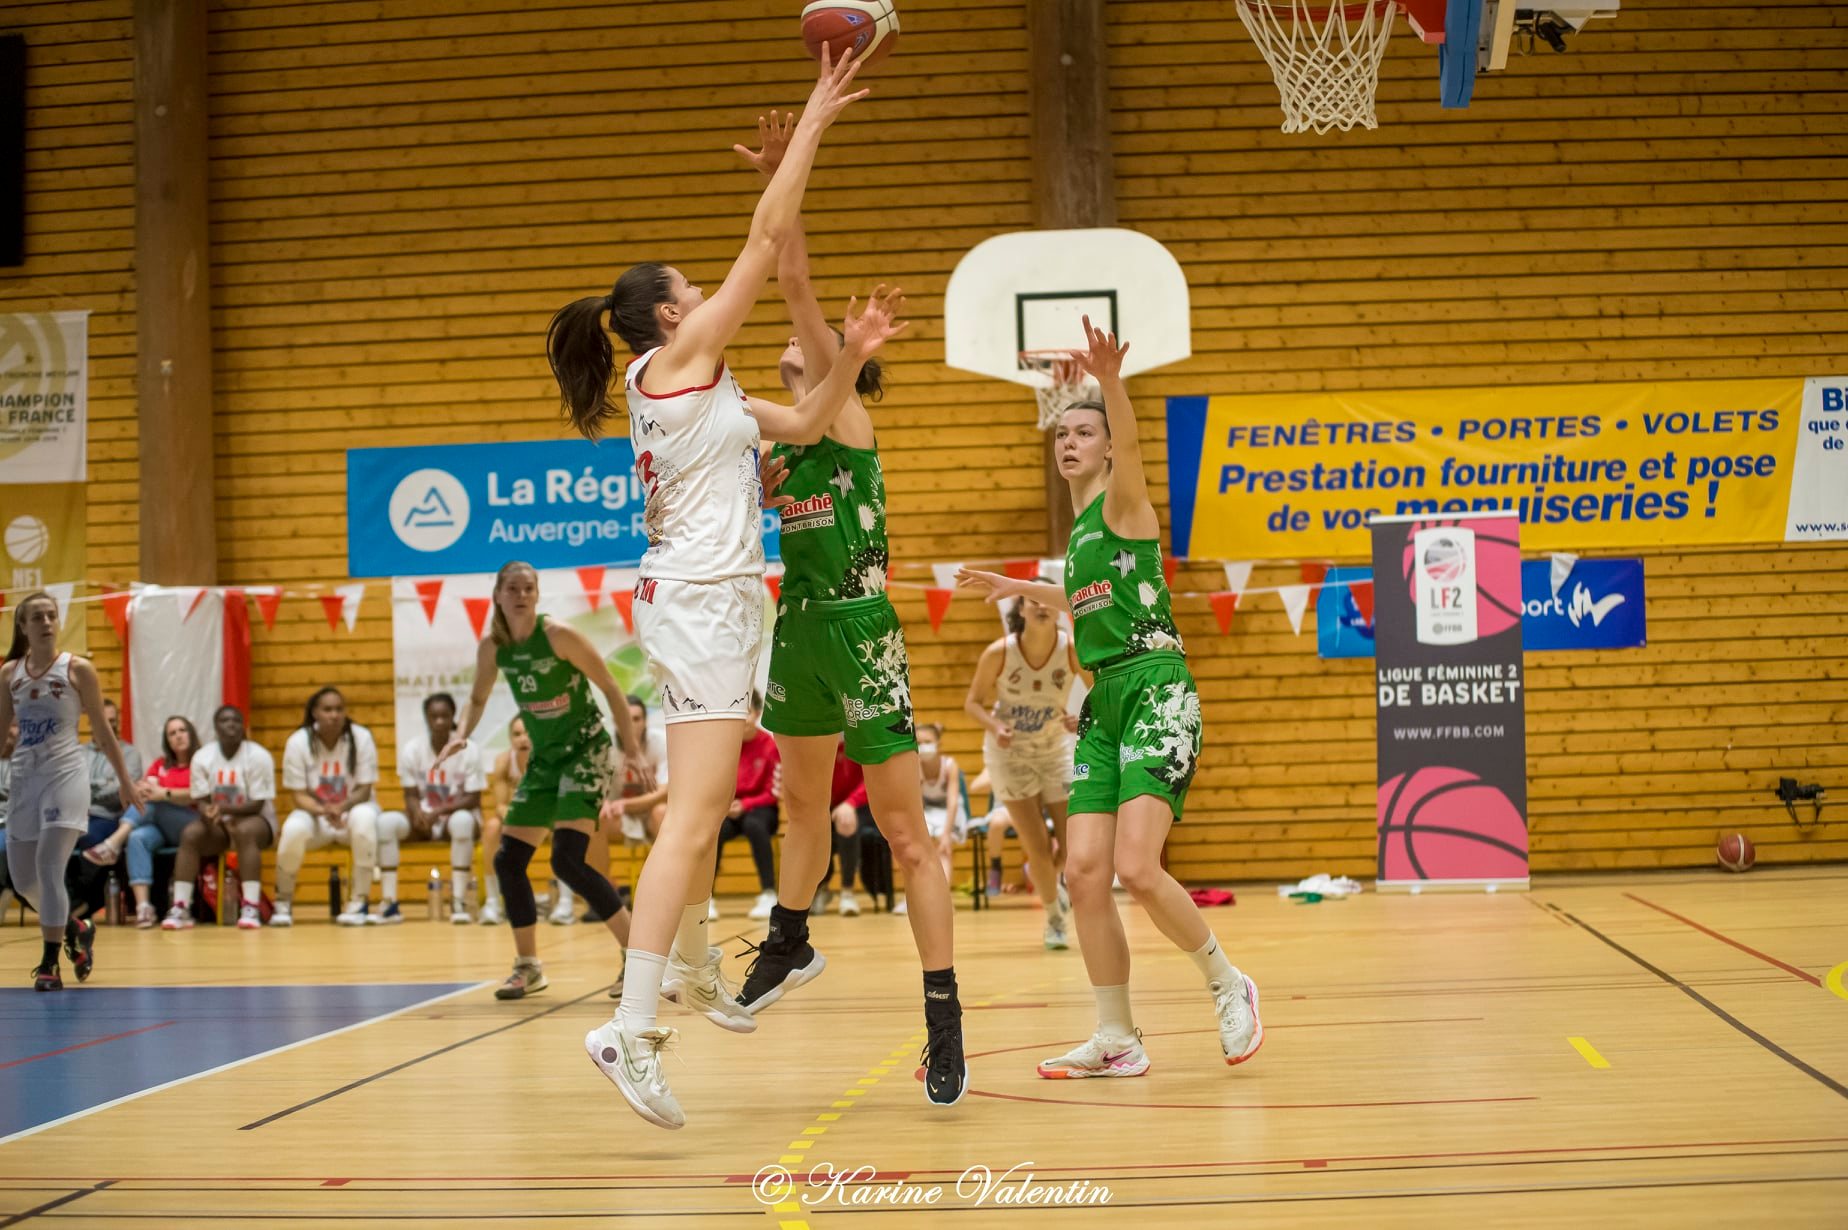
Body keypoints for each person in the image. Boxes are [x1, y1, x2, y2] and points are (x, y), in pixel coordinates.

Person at [547, 50, 908, 1131]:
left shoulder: (708, 387)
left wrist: (856, 356)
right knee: (697, 815)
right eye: (689, 293)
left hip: (710, 602)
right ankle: (633, 1024)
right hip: (702, 601)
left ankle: (692, 976)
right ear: (667, 318)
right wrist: (816, 114)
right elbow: (763, 240)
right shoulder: (673, 366)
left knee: (700, 820)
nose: (706, 297)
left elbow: (803, 425)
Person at [731, 110, 966, 1109]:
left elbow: (790, 282)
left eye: (817, 340)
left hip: (863, 628)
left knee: (905, 834)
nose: (797, 338)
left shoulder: (847, 413)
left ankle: (943, 1016)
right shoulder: (782, 441)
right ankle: (790, 938)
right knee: (795, 803)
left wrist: (790, 176)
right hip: (802, 628)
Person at [957, 318, 1262, 1079]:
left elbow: (1128, 440)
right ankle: (1117, 1034)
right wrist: (1020, 587)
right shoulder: (1083, 535)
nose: (1069, 442)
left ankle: (1230, 983)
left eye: (1084, 432)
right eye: (1061, 434)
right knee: (1084, 871)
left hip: (1156, 689)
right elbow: (1081, 596)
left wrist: (1111, 383)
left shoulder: (1126, 507)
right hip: (1102, 706)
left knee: (1136, 865)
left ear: (1108, 447)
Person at [439, 562, 648, 1003]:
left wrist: (630, 748)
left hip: (586, 749)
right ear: (497, 594)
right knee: (508, 860)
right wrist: (460, 737)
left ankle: (638, 958)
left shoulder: (558, 636)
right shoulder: (494, 648)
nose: (520, 595)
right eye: (512, 588)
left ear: (537, 595)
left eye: (528, 588)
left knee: (567, 861)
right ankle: (528, 966)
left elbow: (610, 687)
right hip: (545, 758)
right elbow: (477, 697)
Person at [0, 592, 146, 989]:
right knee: (23, 881)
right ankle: (75, 927)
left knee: (49, 867)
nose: (47, 622)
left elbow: (102, 730)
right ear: (23, 626)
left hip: (65, 778)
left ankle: (49, 964)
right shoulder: (9, 674)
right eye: (38, 617)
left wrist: (126, 781)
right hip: (24, 781)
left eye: (52, 615)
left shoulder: (77, 669)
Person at [963, 593, 1081, 948]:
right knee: (1038, 847)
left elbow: (1099, 691)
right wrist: (995, 727)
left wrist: (1082, 717)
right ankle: (1054, 919)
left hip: (1054, 750)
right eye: (1033, 601)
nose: (1041, 606)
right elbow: (972, 703)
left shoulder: (1071, 649)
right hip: (1009, 753)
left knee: (1073, 845)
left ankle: (1050, 880)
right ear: (1021, 611)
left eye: (1047, 600)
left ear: (1057, 609)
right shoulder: (1000, 652)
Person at [274, 687, 388, 927]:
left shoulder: (361, 737)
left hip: (353, 811)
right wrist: (325, 810)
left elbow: (364, 789)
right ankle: (283, 900)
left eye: (339, 709)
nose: (334, 715)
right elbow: (298, 795)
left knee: (365, 818)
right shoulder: (298, 741)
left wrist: (341, 807)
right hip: (317, 815)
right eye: (327, 709)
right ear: (315, 712)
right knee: (293, 829)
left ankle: (359, 901)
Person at [159, 705, 278, 930]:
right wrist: (207, 812)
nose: (231, 724)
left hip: (258, 822)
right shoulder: (203, 757)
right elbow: (202, 800)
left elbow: (257, 804)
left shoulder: (259, 755)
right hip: (220, 827)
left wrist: (222, 809)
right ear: (216, 727)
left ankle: (250, 906)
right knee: (191, 833)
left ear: (243, 726)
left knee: (245, 831)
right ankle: (181, 906)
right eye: (224, 720)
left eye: (235, 720)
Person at [385, 692, 484, 923]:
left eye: (445, 716)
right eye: (434, 716)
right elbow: (409, 794)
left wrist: (437, 813)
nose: (439, 721)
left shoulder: (469, 749)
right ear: (426, 718)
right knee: (385, 824)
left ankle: (458, 900)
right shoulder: (413, 749)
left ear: (452, 718)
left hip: (456, 817)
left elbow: (473, 798)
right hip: (424, 820)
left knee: (462, 822)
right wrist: (417, 812)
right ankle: (389, 903)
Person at [119, 715, 203, 924]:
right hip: (161, 827)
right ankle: (143, 907)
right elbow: (146, 791)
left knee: (155, 802)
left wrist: (164, 794)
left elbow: (199, 794)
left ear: (191, 732)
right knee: (138, 837)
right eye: (172, 733)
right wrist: (140, 788)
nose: (178, 736)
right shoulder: (160, 764)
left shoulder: (201, 761)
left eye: (182, 730)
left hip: (192, 826)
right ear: (167, 741)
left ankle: (114, 841)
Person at [67, 699, 144, 921]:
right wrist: (104, 783)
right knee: (53, 840)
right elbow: (70, 785)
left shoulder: (130, 753)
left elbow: (122, 791)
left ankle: (82, 903)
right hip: (76, 815)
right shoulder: (77, 752)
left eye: (114, 721)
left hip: (109, 815)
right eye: (104, 721)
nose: (110, 726)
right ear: (92, 723)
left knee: (90, 837)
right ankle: (68, 901)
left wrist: (90, 786)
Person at [718, 692, 779, 921]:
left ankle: (768, 892)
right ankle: (706, 898)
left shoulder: (769, 746)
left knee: (755, 825)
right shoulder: (725, 746)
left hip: (762, 809)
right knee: (715, 831)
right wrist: (728, 805)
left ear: (756, 713)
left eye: (748, 711)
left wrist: (746, 804)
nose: (743, 718)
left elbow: (772, 793)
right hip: (731, 808)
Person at [477, 714, 532, 926]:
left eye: (527, 733)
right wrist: (515, 817)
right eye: (517, 734)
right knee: (491, 827)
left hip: (543, 818)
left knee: (563, 828)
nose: (523, 739)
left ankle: (564, 901)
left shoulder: (547, 760)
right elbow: (500, 805)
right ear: (510, 738)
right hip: (513, 817)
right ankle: (493, 901)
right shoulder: (502, 762)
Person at [914, 723, 965, 896]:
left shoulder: (950, 765)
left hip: (950, 813)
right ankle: (922, 895)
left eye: (928, 741)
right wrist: (918, 773)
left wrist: (945, 833)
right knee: (918, 845)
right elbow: (916, 803)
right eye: (919, 743)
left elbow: (953, 803)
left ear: (938, 744)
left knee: (944, 846)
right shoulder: (914, 767)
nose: (924, 746)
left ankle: (944, 896)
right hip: (926, 811)